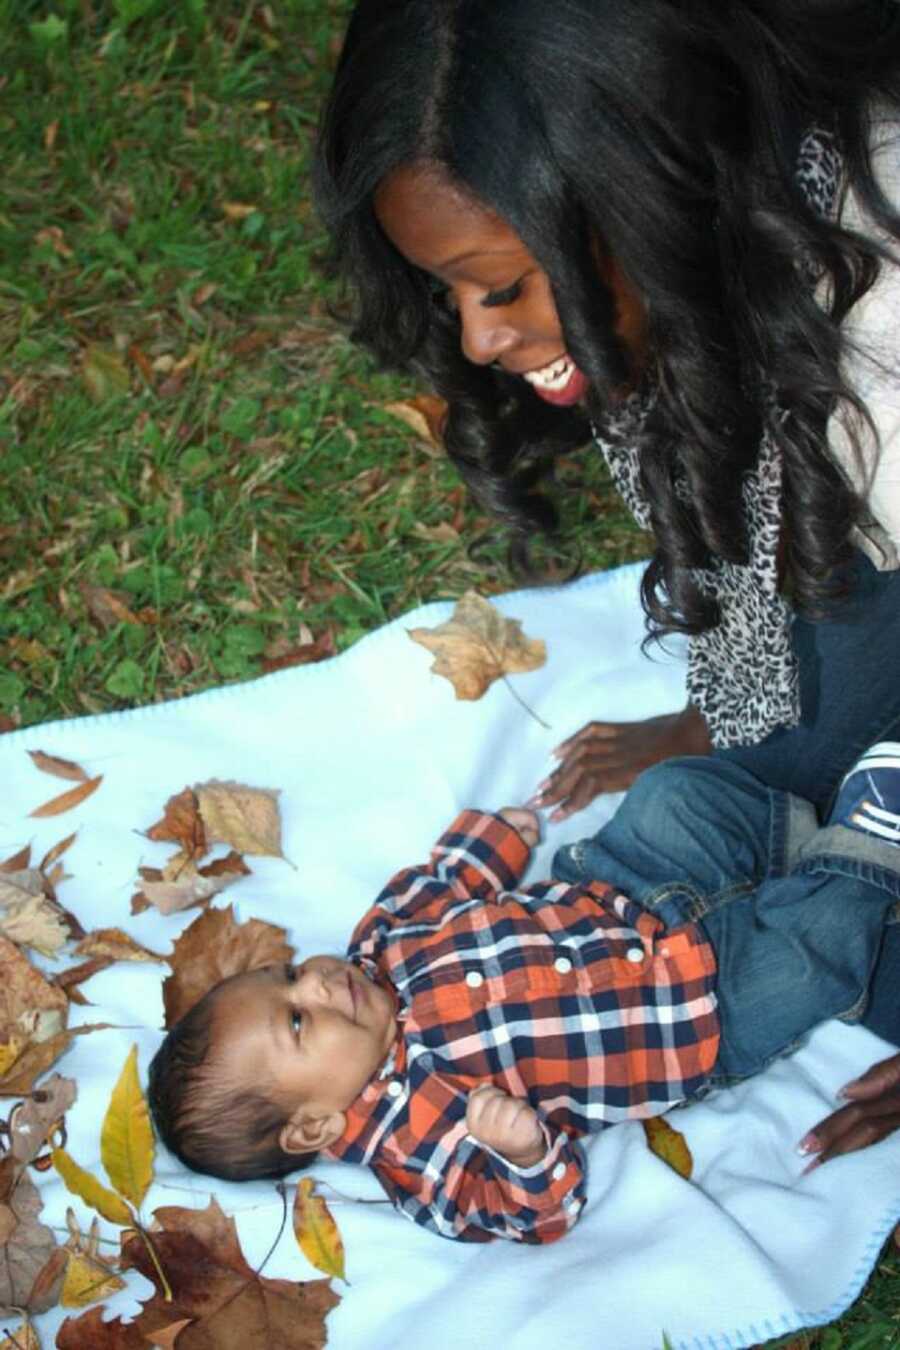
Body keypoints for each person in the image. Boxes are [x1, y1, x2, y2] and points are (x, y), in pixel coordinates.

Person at [313, 0, 900, 1146]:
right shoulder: (711, 235)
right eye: (447, 291)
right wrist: (711, 715)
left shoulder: (879, 343)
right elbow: (745, 506)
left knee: (853, 918)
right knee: (764, 773)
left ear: (646, 199)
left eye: (501, 287)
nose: (478, 343)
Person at [147, 744, 900, 1244]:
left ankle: (801, 841)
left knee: (673, 795)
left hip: (622, 887)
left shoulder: (373, 951)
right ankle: (863, 850)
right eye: (299, 1019)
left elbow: (439, 885)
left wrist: (492, 841)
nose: (313, 980)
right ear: (312, 1127)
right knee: (805, 965)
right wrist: (525, 1150)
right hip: (694, 1017)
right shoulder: (420, 1152)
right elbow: (526, 1214)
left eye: (285, 976)